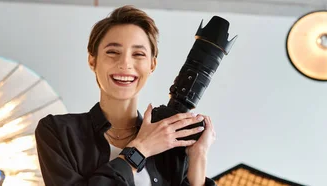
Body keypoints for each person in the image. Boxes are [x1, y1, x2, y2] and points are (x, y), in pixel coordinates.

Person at [35, 5, 217, 186]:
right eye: (113, 52)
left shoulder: (168, 137)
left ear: (152, 65)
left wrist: (198, 156)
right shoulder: (58, 132)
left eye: (138, 54)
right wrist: (141, 149)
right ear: (93, 60)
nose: (125, 63)